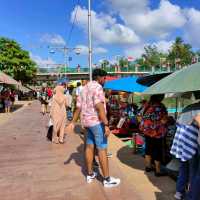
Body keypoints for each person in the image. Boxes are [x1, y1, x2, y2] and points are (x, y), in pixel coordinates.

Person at [68, 69, 120, 187]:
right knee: (102, 149)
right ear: (99, 77)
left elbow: (78, 108)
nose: (105, 80)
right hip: (97, 123)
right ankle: (107, 179)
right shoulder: (98, 87)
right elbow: (99, 106)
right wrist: (106, 124)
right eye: (104, 78)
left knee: (89, 147)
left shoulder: (84, 88)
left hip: (86, 123)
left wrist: (72, 122)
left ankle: (90, 174)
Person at [170, 101, 200, 200]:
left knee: (183, 167)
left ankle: (179, 192)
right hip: (192, 144)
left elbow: (177, 124)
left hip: (181, 143)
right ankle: (190, 195)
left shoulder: (187, 107)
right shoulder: (198, 110)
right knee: (193, 171)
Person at [139, 94, 168, 176]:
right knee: (157, 150)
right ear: (159, 97)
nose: (163, 97)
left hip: (147, 131)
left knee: (149, 148)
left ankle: (148, 166)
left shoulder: (147, 105)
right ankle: (158, 171)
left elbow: (142, 117)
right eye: (162, 96)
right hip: (157, 132)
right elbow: (164, 120)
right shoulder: (161, 106)